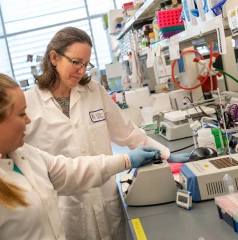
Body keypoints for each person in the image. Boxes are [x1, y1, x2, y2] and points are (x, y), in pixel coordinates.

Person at [0, 71, 160, 240]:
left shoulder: (21, 155)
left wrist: (128, 160)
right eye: (21, 114)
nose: (28, 120)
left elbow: (70, 171)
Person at [24, 27, 190, 240]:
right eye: (76, 62)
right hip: (66, 210)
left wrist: (165, 154)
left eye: (86, 64)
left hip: (106, 199)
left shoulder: (93, 91)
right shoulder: (29, 104)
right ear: (54, 58)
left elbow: (127, 132)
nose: (82, 71)